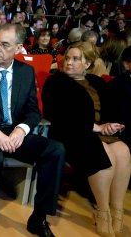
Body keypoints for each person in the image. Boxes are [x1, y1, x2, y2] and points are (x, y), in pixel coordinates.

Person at [0, 23, 65, 236]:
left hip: (14, 133)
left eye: (5, 45)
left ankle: (39, 217)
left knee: (56, 149)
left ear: (18, 48)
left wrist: (21, 130)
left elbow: (34, 112)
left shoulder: (26, 72)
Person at [42, 42, 131, 236]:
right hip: (72, 133)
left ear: (88, 64)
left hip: (99, 133)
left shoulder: (97, 82)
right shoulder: (57, 82)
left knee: (123, 150)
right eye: (67, 58)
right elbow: (57, 115)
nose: (69, 63)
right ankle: (102, 210)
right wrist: (94, 127)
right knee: (104, 151)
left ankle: (116, 209)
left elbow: (111, 111)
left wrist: (112, 125)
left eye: (75, 59)